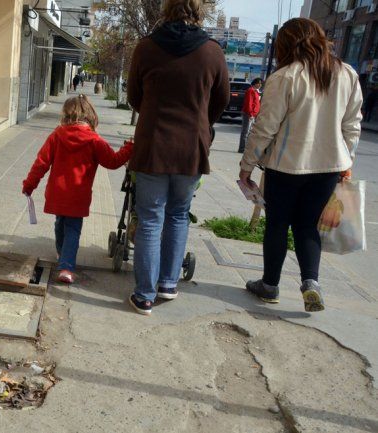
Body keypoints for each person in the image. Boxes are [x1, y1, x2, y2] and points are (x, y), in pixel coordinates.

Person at [239, 18, 362, 312]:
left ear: (286, 44)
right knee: (308, 225)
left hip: (286, 166)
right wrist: (348, 160)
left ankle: (269, 285)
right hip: (328, 168)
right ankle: (311, 284)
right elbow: (352, 125)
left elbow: (265, 127)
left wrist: (247, 165)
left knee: (278, 224)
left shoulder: (285, 77)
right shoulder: (347, 74)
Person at [126, 0, 230, 315]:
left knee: (150, 219)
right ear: (199, 12)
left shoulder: (146, 48)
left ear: (166, 10)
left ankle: (144, 295)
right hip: (191, 149)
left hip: (153, 146)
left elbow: (134, 97)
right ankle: (168, 284)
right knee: (178, 215)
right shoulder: (212, 52)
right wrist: (199, 121)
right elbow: (222, 99)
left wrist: (156, 114)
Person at [22, 95, 134, 284]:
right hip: (78, 196)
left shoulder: (57, 135)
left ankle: (61, 252)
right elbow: (113, 161)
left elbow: (41, 163)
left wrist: (29, 185)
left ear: (66, 115)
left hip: (57, 193)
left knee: (60, 223)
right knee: (73, 229)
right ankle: (66, 267)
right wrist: (130, 147)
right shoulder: (94, 140)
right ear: (90, 116)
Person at [238, 78, 263, 153]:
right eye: (258, 83)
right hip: (248, 114)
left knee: (249, 132)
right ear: (254, 83)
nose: (260, 85)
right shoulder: (251, 90)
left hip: (253, 114)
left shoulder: (256, 91)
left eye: (261, 83)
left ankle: (245, 148)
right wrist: (251, 114)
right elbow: (249, 103)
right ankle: (242, 148)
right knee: (245, 132)